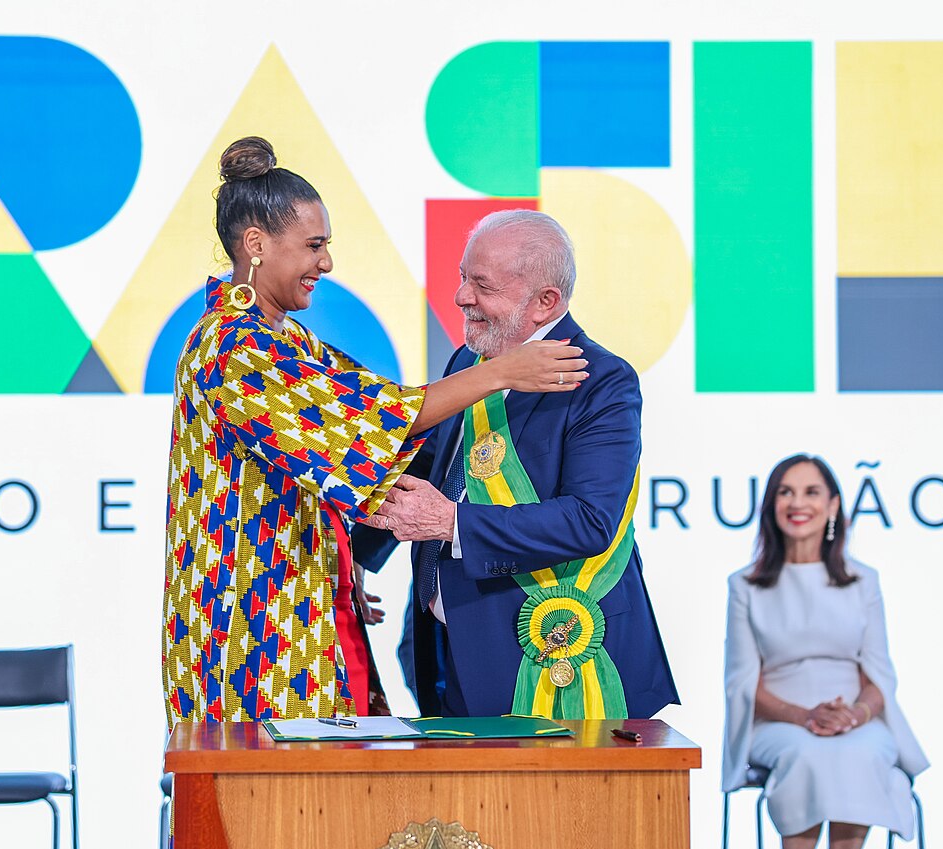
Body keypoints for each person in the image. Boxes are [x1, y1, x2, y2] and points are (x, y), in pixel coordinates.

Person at [162, 138, 589, 725]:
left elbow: (375, 426)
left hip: (294, 604)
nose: (327, 263)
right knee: (271, 805)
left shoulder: (284, 338)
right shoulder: (234, 346)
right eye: (314, 246)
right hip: (249, 624)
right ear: (256, 245)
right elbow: (381, 423)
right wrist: (502, 372)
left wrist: (345, 561)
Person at [354, 209, 677, 719]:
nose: (461, 297)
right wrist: (359, 555)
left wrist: (450, 523)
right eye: (462, 277)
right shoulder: (469, 360)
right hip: (444, 644)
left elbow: (590, 521)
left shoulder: (601, 381)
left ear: (545, 302)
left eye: (481, 285)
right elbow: (428, 465)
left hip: (542, 656)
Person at [722, 454, 928, 848]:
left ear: (833, 505)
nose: (798, 503)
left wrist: (853, 715)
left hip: (857, 721)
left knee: (860, 754)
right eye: (786, 492)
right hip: (778, 724)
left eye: (811, 492)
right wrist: (806, 716)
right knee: (807, 755)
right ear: (771, 505)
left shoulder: (863, 581)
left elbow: (878, 677)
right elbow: (745, 684)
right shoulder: (745, 586)